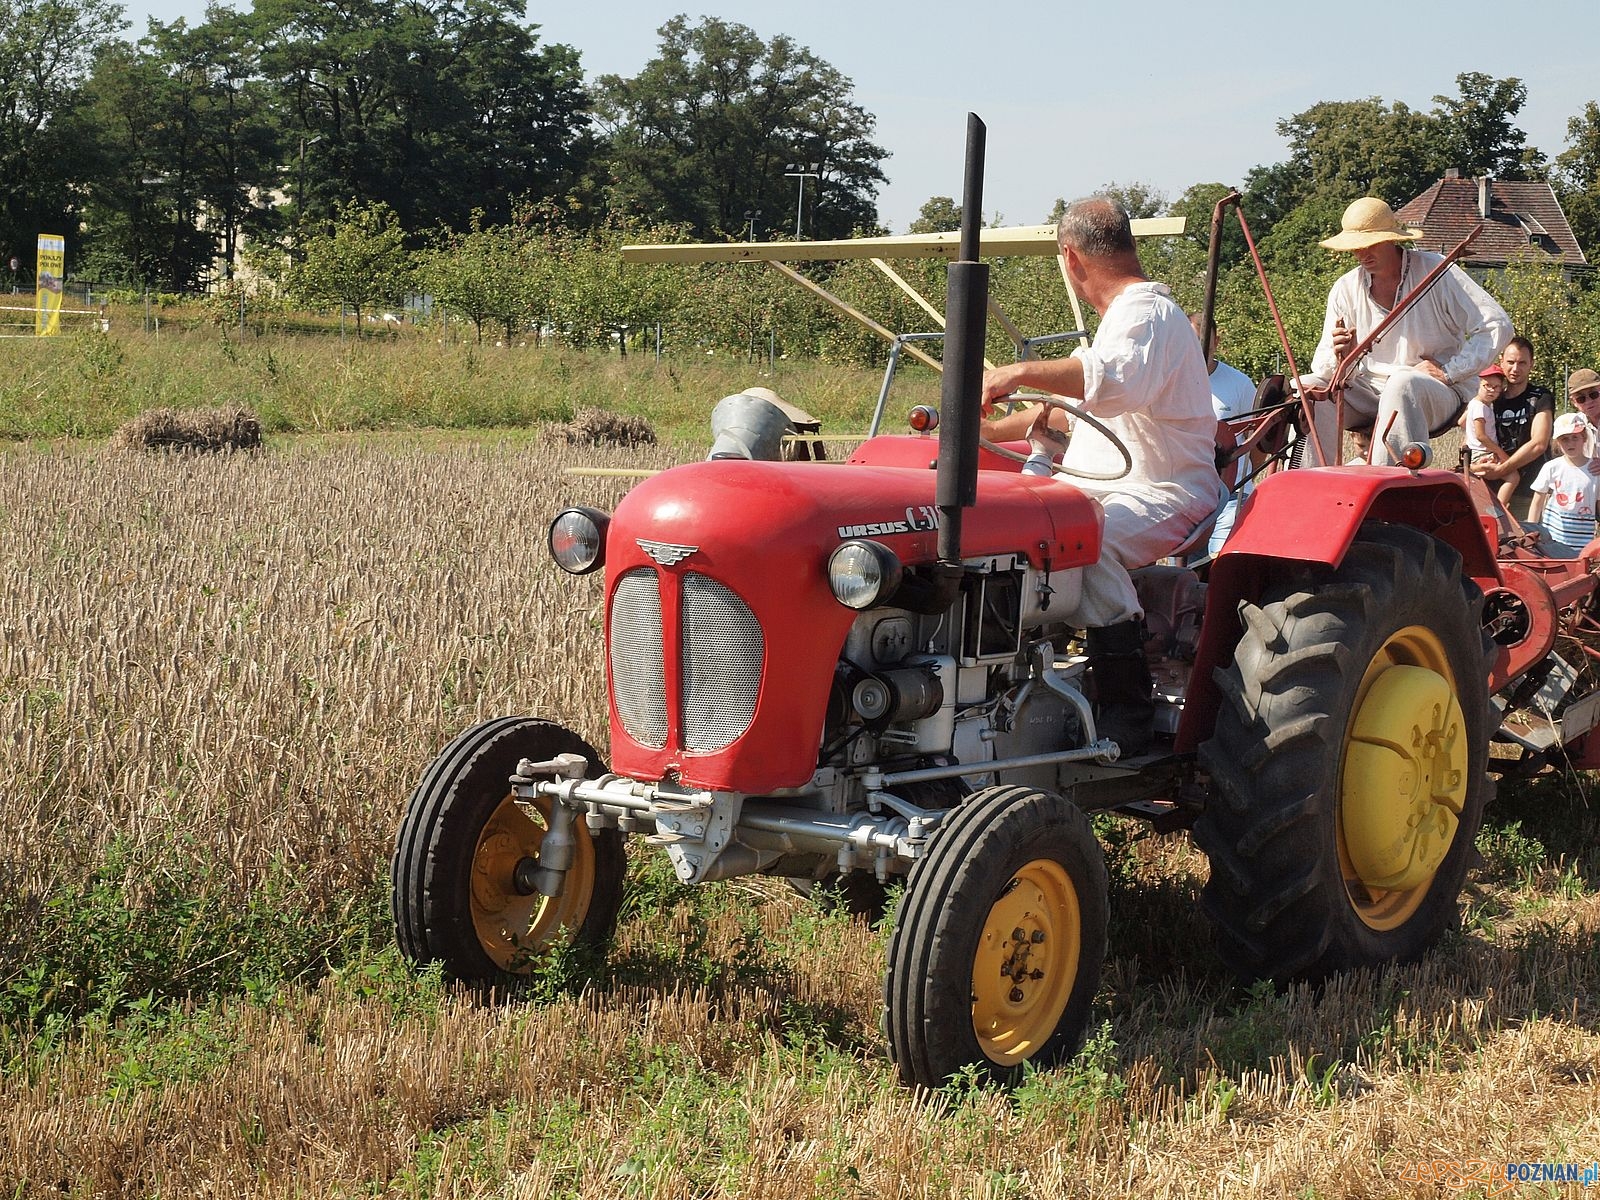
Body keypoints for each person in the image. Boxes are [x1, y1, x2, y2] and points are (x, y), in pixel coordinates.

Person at [980, 196, 1223, 754]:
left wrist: (1017, 370)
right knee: (1002, 526)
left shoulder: (1150, 315)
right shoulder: (1124, 323)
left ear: (1071, 258)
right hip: (1093, 489)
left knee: (1082, 537)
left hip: (1162, 490)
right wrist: (983, 432)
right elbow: (1068, 410)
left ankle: (1126, 706)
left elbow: (1111, 383)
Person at [1300, 197, 1511, 467]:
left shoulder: (1436, 272)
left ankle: (1382, 487)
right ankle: (1313, 485)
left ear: (1392, 240)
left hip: (1435, 392)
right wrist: (1345, 359)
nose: (1362, 254)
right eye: (1355, 247)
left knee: (1402, 382)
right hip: (1368, 391)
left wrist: (1451, 371)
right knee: (1307, 390)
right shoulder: (1346, 288)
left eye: (1371, 244)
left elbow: (1496, 325)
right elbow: (1324, 367)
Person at [1189, 313, 1257, 556]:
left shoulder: (1239, 384)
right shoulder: (1175, 384)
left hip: (1231, 492)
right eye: (1194, 340)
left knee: (1219, 559)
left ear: (1216, 342)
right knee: (1190, 570)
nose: (1200, 347)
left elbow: (1256, 440)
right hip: (1189, 495)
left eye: (1206, 340)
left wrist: (1248, 482)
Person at [1472, 336, 1554, 519]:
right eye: (1510, 362)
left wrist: (1503, 470)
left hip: (1527, 491)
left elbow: (1539, 443)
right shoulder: (1491, 398)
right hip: (1487, 489)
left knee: (1523, 543)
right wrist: (1473, 466)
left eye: (1522, 363)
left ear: (1532, 364)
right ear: (1501, 361)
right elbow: (1471, 435)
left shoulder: (1540, 397)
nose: (1515, 369)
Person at [1528, 412, 1598, 557]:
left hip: (1582, 540)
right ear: (1558, 442)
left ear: (1584, 438)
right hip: (1552, 539)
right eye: (1565, 439)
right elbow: (1537, 501)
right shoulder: (1551, 467)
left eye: (1575, 438)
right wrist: (1530, 533)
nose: (1570, 443)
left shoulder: (1595, 470)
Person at [1461, 364, 1518, 510]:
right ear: (1478, 384)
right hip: (1483, 451)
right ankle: (1500, 509)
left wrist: (1468, 436)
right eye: (1487, 385)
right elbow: (1481, 436)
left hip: (1476, 451)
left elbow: (1461, 422)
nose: (1492, 390)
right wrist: (1500, 452)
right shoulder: (1480, 407)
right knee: (1513, 477)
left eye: (1496, 387)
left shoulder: (1475, 403)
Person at [1567, 367, 1600, 466]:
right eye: (1581, 399)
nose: (1589, 401)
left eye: (1593, 394)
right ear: (1573, 402)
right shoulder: (1573, 424)